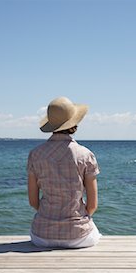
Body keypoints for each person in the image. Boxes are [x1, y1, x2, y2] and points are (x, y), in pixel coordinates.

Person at [27, 96, 102, 248]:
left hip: (41, 236)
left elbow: (33, 202)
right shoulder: (85, 155)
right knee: (96, 234)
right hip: (78, 237)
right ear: (74, 123)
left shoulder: (35, 154)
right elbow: (92, 205)